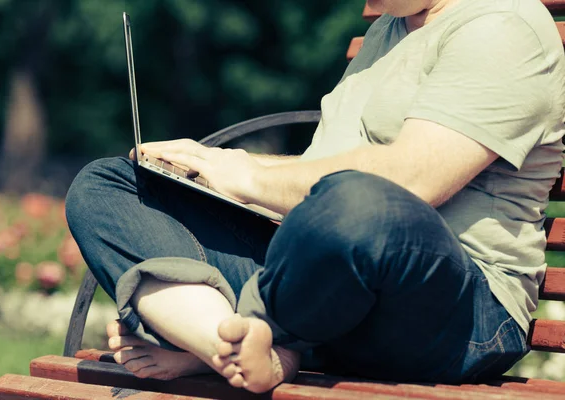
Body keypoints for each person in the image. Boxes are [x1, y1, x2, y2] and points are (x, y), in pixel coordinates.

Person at [65, 0, 565, 394]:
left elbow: (411, 180)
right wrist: (204, 175)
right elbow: (320, 178)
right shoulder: (388, 31)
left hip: (456, 310)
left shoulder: (504, 26)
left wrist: (246, 173)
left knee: (360, 203)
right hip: (325, 273)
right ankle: (236, 347)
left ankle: (239, 337)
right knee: (110, 185)